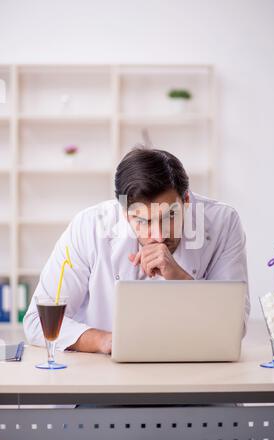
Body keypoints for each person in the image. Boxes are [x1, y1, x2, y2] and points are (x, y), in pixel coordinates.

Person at [23, 147, 250, 354]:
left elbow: (234, 327)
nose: (159, 236)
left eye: (170, 216)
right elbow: (36, 322)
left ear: (186, 200)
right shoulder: (89, 226)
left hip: (199, 372)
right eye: (142, 220)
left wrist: (180, 278)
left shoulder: (222, 222)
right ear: (124, 213)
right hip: (107, 379)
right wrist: (106, 341)